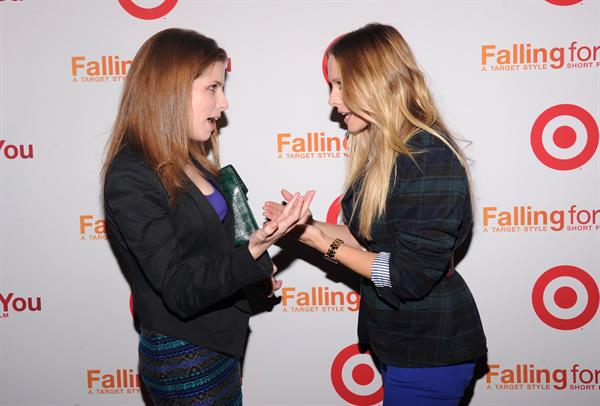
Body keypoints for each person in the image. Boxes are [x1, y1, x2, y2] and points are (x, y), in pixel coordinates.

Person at [264, 23, 486, 405]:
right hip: (400, 346)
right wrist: (307, 226)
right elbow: (367, 238)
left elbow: (408, 276)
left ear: (374, 82)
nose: (332, 100)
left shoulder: (429, 158)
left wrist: (322, 245)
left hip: (431, 351)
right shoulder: (386, 153)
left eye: (339, 84)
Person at [102, 28, 313, 406]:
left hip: (219, 344)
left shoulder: (192, 159)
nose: (224, 103)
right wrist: (250, 253)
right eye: (212, 88)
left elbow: (206, 250)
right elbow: (181, 291)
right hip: (184, 358)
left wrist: (253, 277)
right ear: (172, 89)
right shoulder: (131, 174)